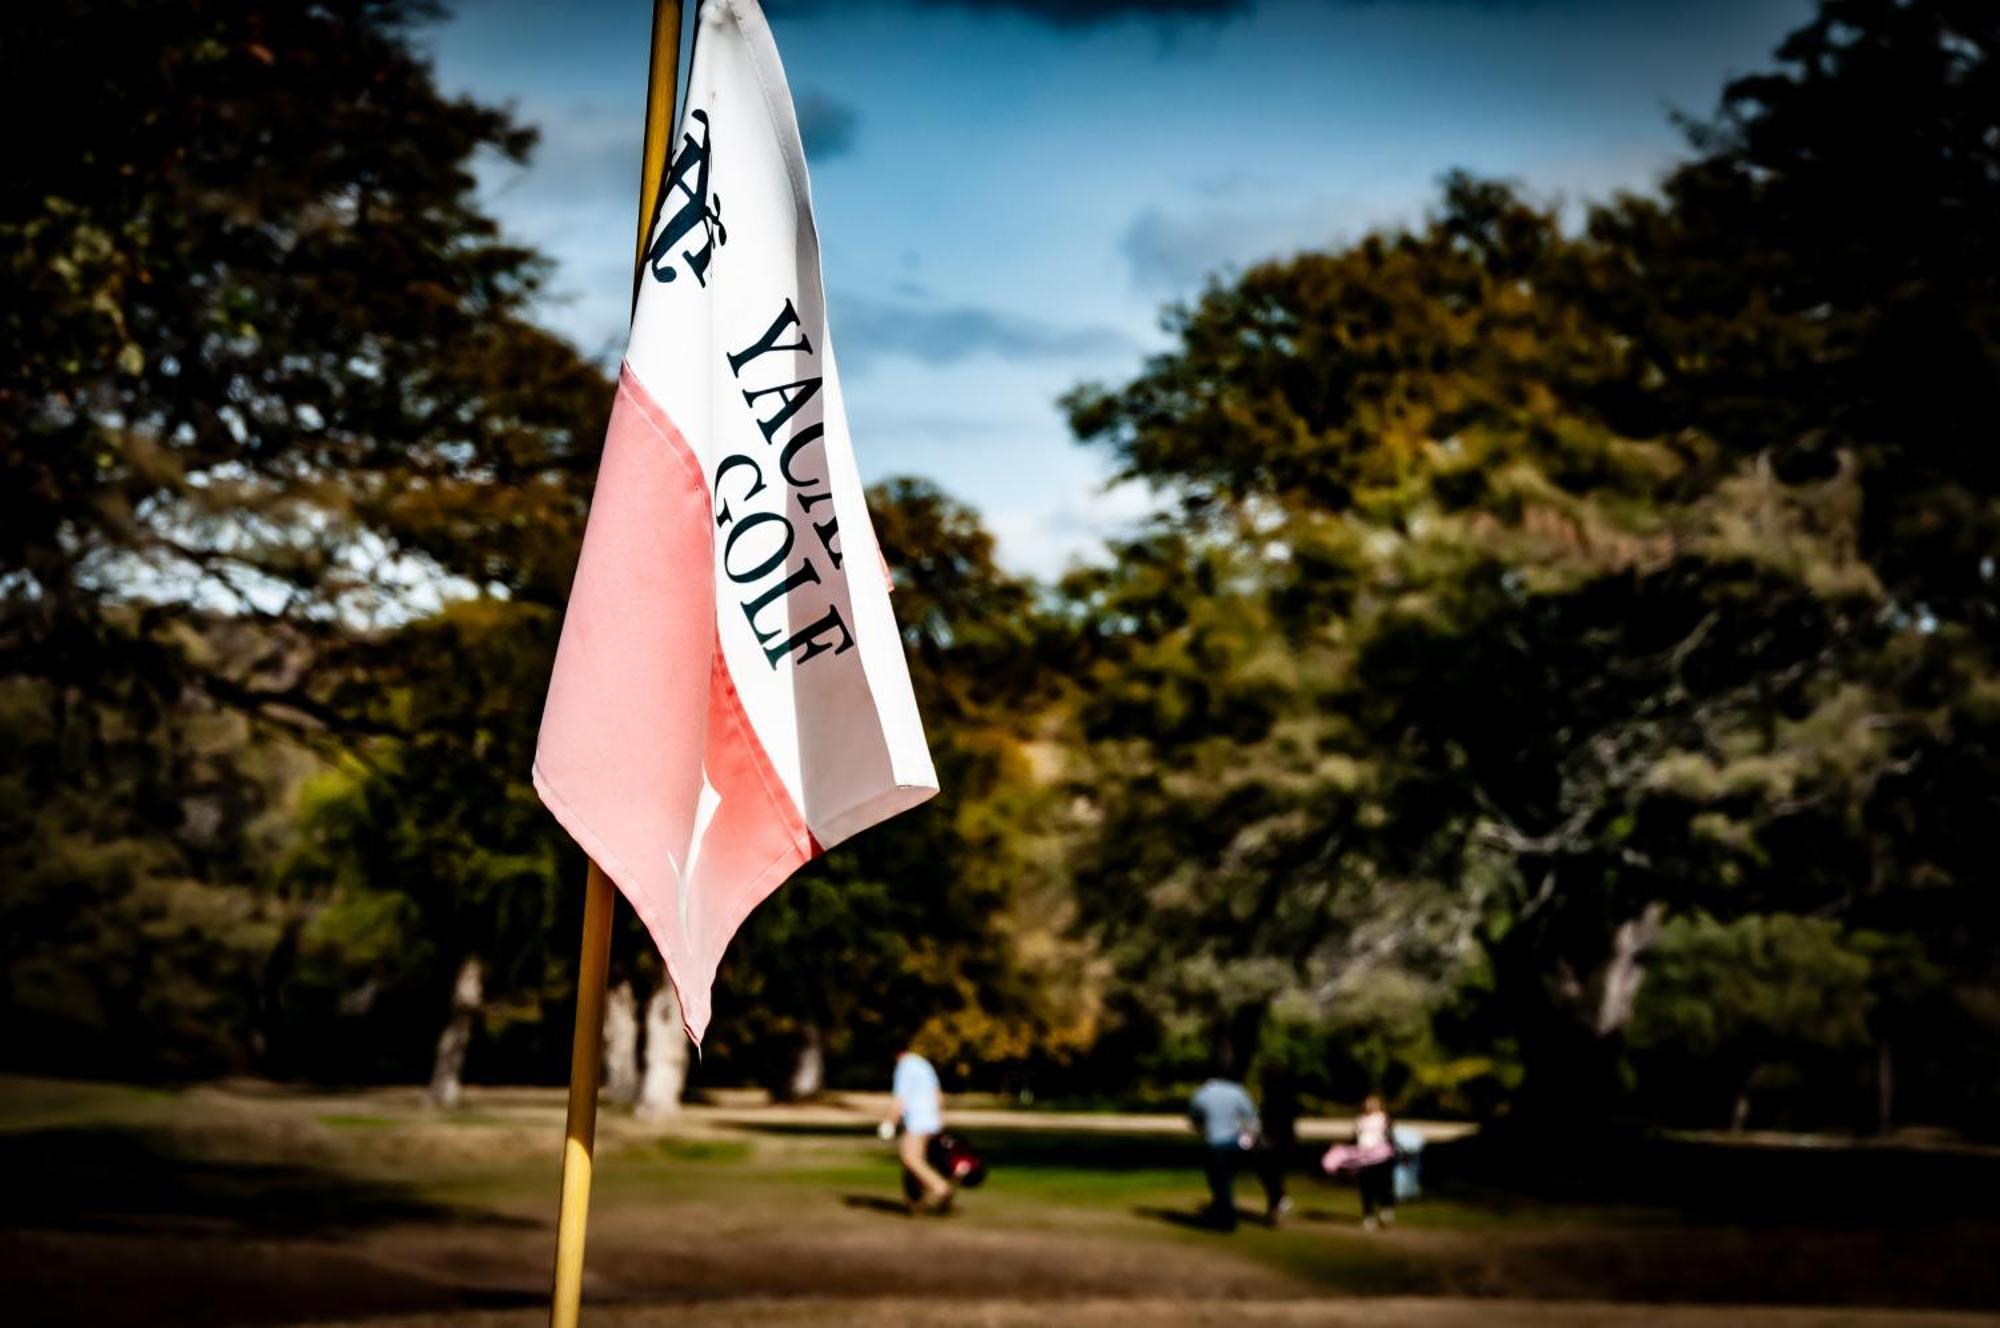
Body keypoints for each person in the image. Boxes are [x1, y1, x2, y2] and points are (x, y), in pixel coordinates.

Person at [879, 1045, 953, 1214]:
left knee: (909, 1158)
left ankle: (939, 1187)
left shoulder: (904, 1067)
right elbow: (938, 1094)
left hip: (916, 1120)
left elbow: (899, 1099)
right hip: (931, 1119)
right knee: (918, 1161)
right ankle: (916, 1202)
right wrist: (939, 1118)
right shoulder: (923, 1064)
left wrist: (889, 1122)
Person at [1187, 1073, 1259, 1231]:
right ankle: (1221, 1210)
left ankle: (1227, 1217)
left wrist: (1203, 1130)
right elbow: (1251, 1116)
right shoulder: (1237, 1091)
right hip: (1236, 1143)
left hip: (1215, 1143)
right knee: (1227, 1179)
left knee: (1219, 1181)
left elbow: (1194, 1120)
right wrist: (1249, 1138)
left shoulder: (1201, 1094)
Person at [1255, 1065, 1299, 1226]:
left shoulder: (1271, 1101)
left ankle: (1278, 1200)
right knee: (1275, 1175)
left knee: (1268, 1174)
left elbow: (1267, 1122)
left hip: (1273, 1142)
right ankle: (1274, 1208)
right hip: (1285, 1142)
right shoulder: (1289, 1099)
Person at [1352, 1093, 1398, 1230]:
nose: (1370, 1105)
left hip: (1381, 1157)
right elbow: (1355, 1138)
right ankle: (1368, 1215)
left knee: (1383, 1184)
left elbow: (1391, 1137)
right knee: (1366, 1187)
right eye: (1368, 1102)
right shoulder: (1359, 1120)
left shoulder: (1385, 1118)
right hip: (1364, 1158)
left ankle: (1386, 1208)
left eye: (1374, 1102)